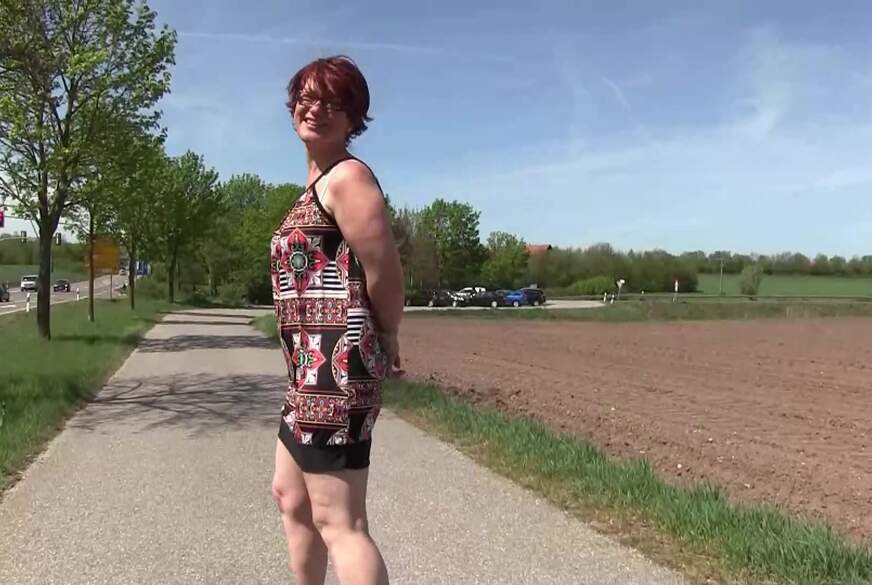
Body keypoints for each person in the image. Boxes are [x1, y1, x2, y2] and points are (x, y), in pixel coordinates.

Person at [270, 55, 404, 585]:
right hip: (308, 373)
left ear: (353, 118)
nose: (315, 108)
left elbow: (384, 272)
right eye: (307, 97)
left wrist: (388, 334)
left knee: (340, 522)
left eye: (332, 102)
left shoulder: (348, 178)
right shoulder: (317, 186)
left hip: (337, 370)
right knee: (292, 498)